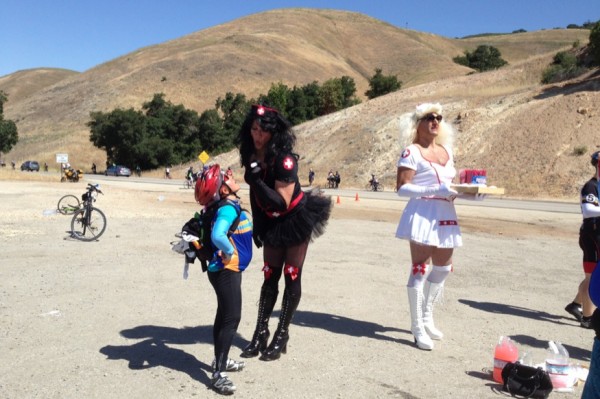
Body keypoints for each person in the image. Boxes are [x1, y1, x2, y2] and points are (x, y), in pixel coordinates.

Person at [237, 103, 332, 361]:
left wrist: (255, 180)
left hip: (294, 217)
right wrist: (257, 224)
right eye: (254, 129)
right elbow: (256, 196)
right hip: (270, 219)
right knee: (269, 277)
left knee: (291, 276)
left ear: (273, 132)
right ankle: (260, 332)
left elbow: (282, 202)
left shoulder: (285, 160)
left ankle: (282, 334)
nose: (257, 135)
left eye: (262, 131)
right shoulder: (251, 154)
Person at [395, 103, 485, 351]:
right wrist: (434, 190)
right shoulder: (410, 152)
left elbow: (451, 189)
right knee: (420, 269)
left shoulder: (447, 151)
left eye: (438, 117)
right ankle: (416, 327)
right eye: (429, 117)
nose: (435, 121)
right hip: (423, 212)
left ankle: (427, 316)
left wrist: (470, 195)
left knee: (444, 267)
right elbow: (402, 188)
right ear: (418, 123)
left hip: (446, 212)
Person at [193, 164, 253, 395]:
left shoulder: (226, 205)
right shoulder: (228, 208)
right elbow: (218, 235)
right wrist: (228, 251)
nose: (232, 177)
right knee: (231, 319)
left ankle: (222, 359)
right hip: (226, 270)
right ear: (224, 190)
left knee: (223, 316)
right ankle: (218, 373)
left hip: (225, 271)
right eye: (227, 178)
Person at [566, 151, 600, 328]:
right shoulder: (591, 186)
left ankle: (576, 304)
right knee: (592, 277)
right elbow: (588, 210)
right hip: (591, 236)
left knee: (593, 276)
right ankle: (587, 318)